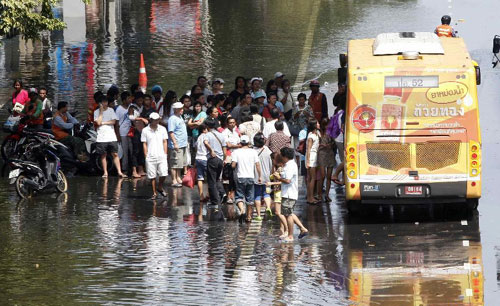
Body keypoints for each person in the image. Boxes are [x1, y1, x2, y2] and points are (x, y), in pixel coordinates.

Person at [278, 147, 308, 242]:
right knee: (289, 213)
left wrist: (278, 177)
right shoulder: (288, 164)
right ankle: (302, 229)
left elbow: (288, 180)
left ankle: (290, 235)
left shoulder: (290, 165)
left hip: (289, 194)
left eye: (281, 155)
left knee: (288, 215)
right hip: (288, 193)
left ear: (285, 156)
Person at [94, 96, 127, 178]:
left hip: (111, 136)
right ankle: (105, 172)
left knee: (115, 154)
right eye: (103, 102)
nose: (104, 104)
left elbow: (114, 121)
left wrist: (103, 123)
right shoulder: (96, 112)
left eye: (106, 102)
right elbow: (98, 122)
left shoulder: (111, 110)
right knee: (103, 155)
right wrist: (101, 112)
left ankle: (119, 172)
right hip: (101, 137)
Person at [232, 135, 262, 223]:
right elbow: (257, 165)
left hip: (240, 177)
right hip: (250, 177)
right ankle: (249, 217)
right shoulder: (253, 152)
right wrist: (260, 176)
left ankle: (242, 210)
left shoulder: (236, 152)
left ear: (240, 143)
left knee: (239, 197)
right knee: (250, 198)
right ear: (249, 143)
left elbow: (233, 165)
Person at [141, 112, 169, 200]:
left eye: (158, 120)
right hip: (151, 155)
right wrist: (146, 155)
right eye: (155, 120)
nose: (157, 121)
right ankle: (154, 193)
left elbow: (165, 141)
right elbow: (144, 143)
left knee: (164, 173)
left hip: (161, 155)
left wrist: (165, 154)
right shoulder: (145, 130)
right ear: (151, 120)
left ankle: (159, 187)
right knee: (152, 175)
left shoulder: (162, 129)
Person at [203, 117, 227, 207]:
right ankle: (222, 193)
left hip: (213, 159)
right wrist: (224, 159)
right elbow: (224, 149)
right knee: (217, 179)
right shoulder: (221, 135)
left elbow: (205, 142)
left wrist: (211, 150)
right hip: (220, 160)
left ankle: (215, 202)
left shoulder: (207, 134)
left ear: (207, 126)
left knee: (211, 181)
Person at [253, 133, 273, 221]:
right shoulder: (268, 151)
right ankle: (268, 207)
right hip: (266, 176)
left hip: (256, 176)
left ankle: (258, 215)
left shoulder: (252, 151)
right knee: (266, 194)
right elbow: (272, 164)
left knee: (257, 195)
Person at [168, 102, 189, 187]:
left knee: (180, 163)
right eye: (181, 109)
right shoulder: (172, 119)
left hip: (183, 144)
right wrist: (175, 143)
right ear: (176, 110)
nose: (182, 110)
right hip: (177, 144)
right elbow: (171, 132)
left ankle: (178, 177)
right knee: (174, 163)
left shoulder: (180, 117)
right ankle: (174, 180)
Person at [317, 118, 335, 202]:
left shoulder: (330, 132)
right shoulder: (318, 133)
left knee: (328, 176)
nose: (326, 126)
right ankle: (319, 194)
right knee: (322, 176)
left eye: (327, 124)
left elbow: (334, 143)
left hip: (329, 154)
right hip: (321, 154)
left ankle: (327, 195)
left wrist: (329, 145)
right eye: (324, 124)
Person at [116, 91, 133, 174]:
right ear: (123, 100)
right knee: (125, 152)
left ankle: (131, 167)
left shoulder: (131, 107)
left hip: (130, 132)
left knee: (132, 150)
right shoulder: (119, 109)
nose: (130, 100)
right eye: (128, 98)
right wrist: (118, 135)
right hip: (123, 133)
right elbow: (117, 123)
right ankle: (124, 169)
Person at [305, 119, 320, 204]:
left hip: (314, 157)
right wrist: (308, 161)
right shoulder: (311, 136)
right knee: (312, 178)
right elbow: (308, 149)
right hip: (312, 158)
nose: (318, 124)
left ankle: (310, 197)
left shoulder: (316, 134)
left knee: (311, 178)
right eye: (317, 123)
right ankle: (310, 198)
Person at [195, 123, 209, 202]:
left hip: (198, 158)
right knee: (209, 177)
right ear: (204, 130)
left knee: (200, 178)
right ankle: (208, 194)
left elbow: (196, 147)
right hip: (205, 158)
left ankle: (201, 195)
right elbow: (207, 145)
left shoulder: (198, 137)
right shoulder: (206, 136)